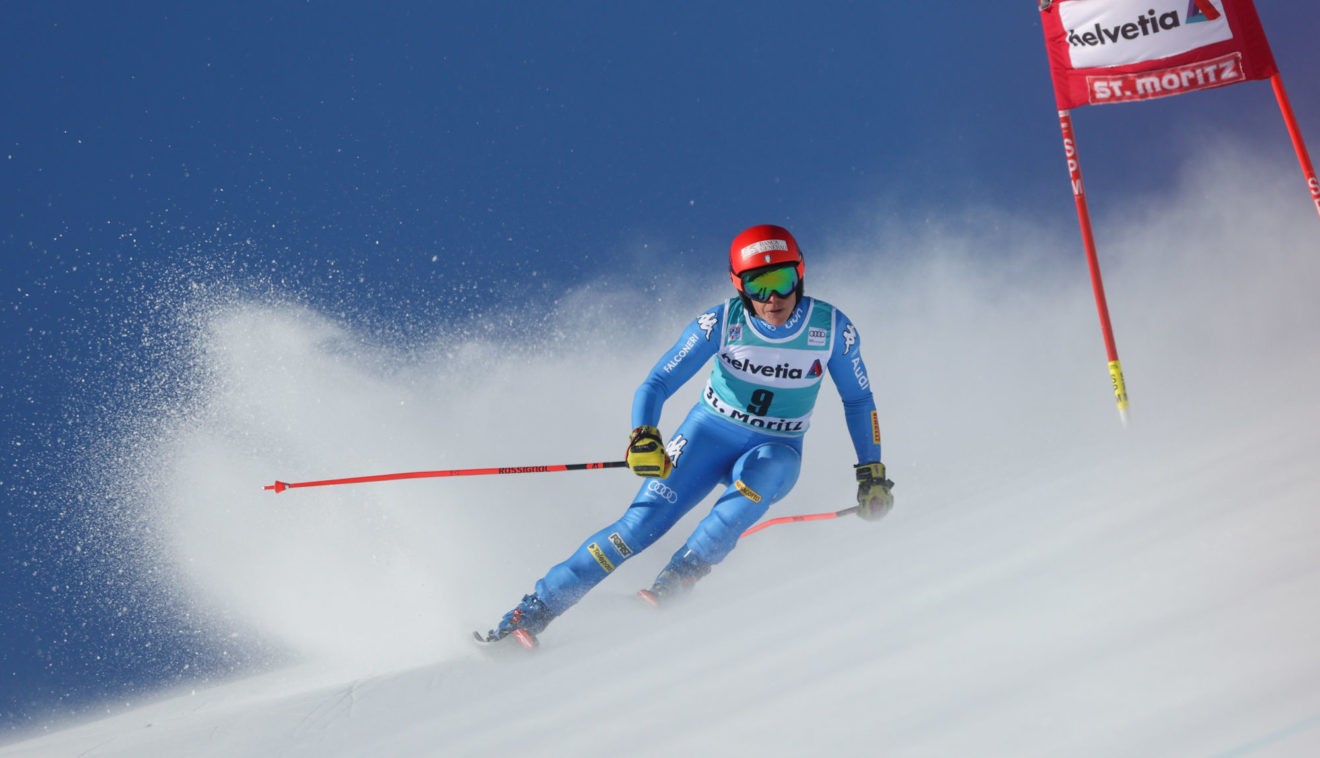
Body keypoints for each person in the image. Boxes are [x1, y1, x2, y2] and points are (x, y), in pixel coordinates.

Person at [478, 224, 893, 648]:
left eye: (783, 281)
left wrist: (871, 471)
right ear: (739, 285)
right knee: (637, 527)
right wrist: (644, 436)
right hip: (706, 435)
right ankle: (530, 613)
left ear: (800, 275)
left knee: (771, 469)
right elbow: (656, 382)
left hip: (776, 446)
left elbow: (859, 401)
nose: (773, 298)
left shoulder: (832, 329)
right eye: (758, 283)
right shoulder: (721, 322)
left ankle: (681, 575)